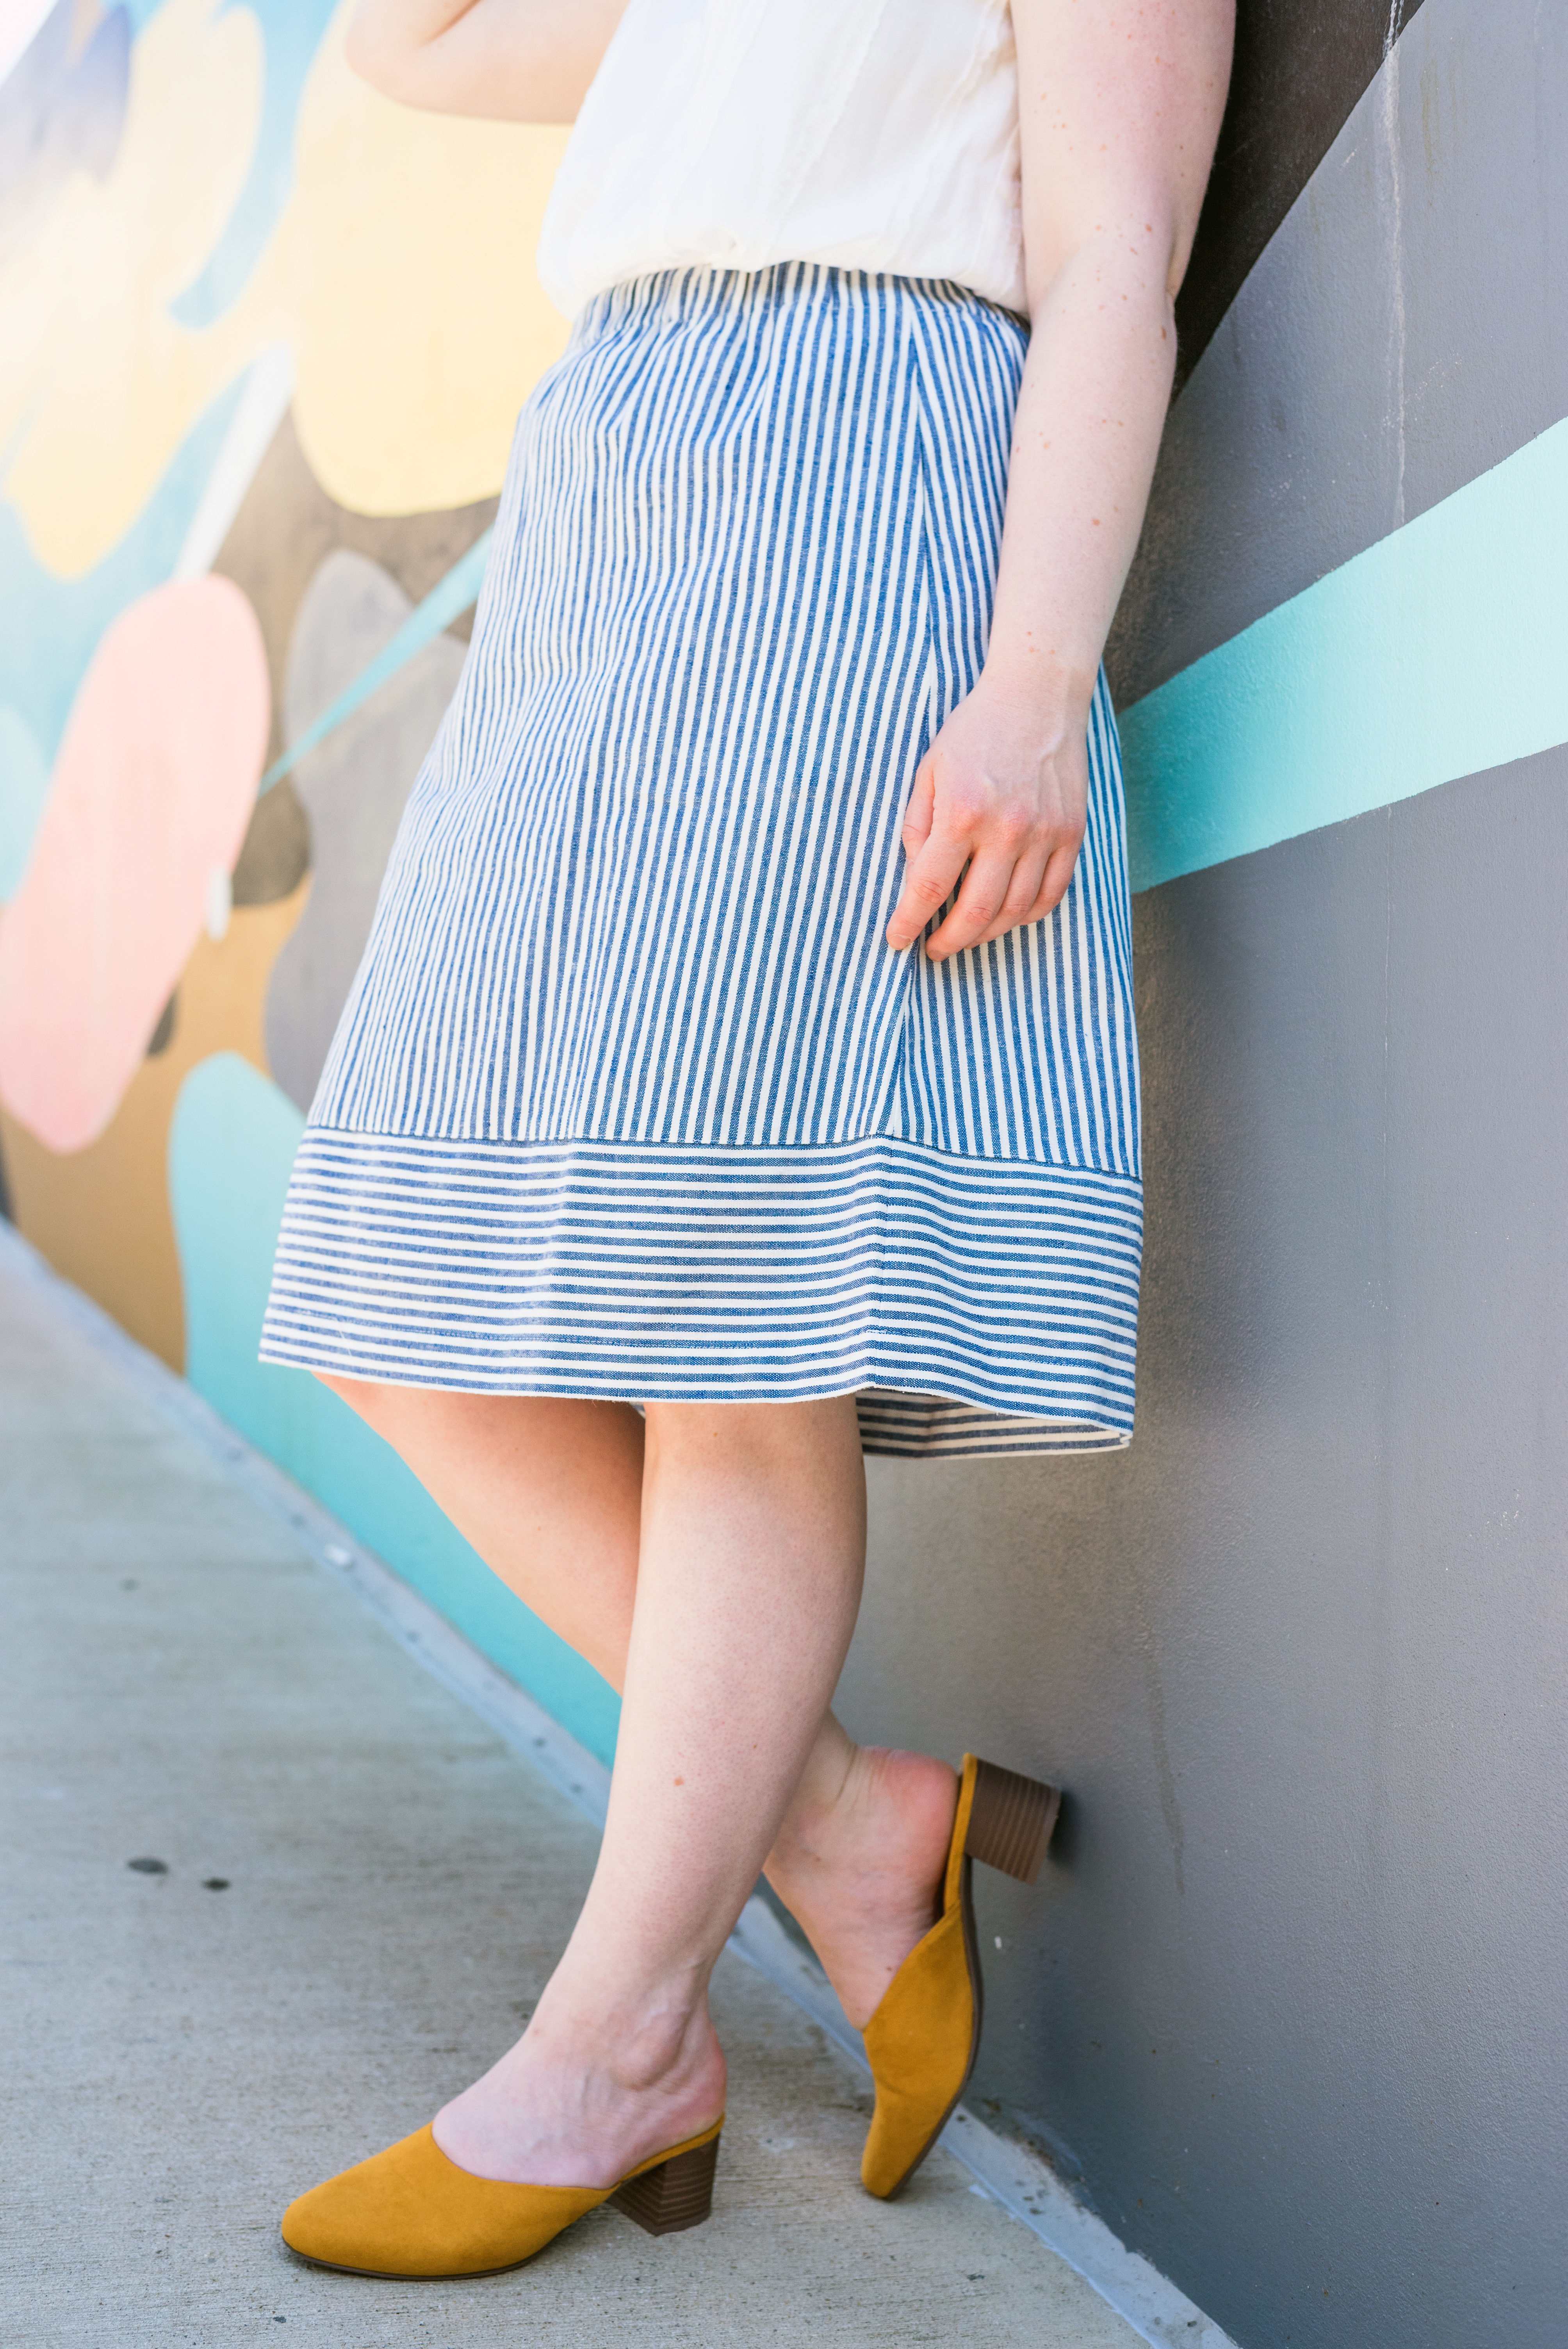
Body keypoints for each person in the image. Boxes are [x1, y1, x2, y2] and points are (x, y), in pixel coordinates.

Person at [262, 0, 1232, 2279]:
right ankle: (843, 1817)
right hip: (611, 477)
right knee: (403, 1288)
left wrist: (1026, 684)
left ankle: (619, 2044)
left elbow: (1110, 256)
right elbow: (421, 42)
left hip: (860, 476)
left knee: (731, 1331)